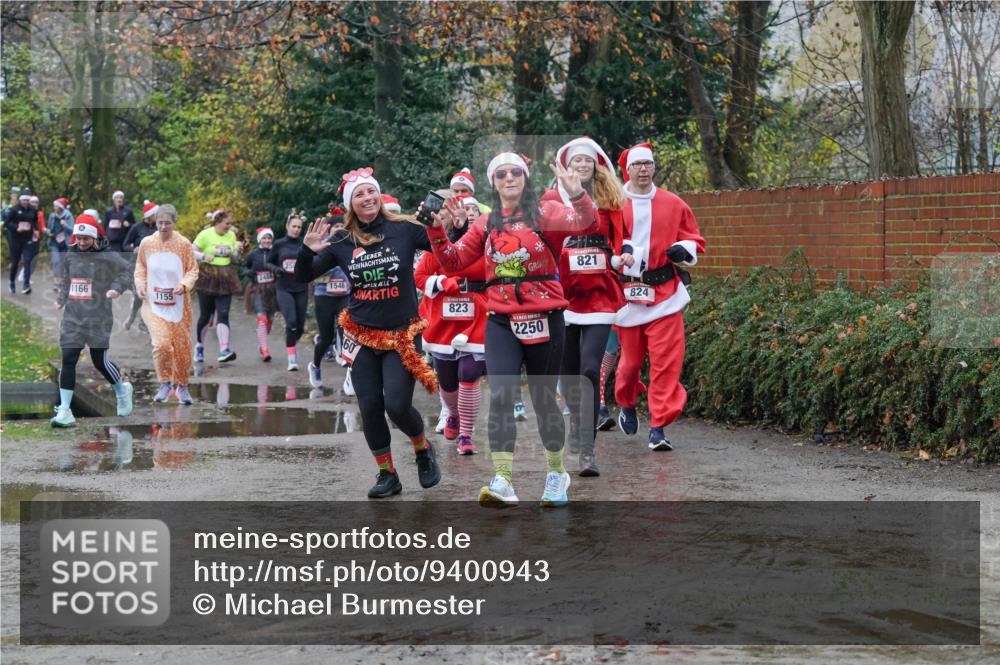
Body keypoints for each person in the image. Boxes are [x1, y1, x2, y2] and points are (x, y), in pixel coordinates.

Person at [424, 152, 598, 507]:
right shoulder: (485, 223)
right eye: (500, 174)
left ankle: (556, 474)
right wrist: (435, 230)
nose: (508, 178)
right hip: (501, 320)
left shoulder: (546, 213)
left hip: (545, 316)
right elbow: (453, 261)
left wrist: (577, 193)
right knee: (501, 396)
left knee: (543, 399)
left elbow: (586, 224)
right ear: (493, 182)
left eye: (515, 172)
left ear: (525, 177)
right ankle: (503, 479)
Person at [296, 167, 441, 499]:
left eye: (371, 191)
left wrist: (450, 225)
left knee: (397, 405)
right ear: (351, 203)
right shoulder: (341, 241)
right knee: (370, 406)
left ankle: (422, 448)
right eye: (359, 194)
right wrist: (306, 251)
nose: (367, 198)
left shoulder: (404, 229)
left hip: (402, 334)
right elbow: (303, 276)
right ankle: (387, 474)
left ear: (379, 196)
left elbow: (445, 248)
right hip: (361, 336)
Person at [541, 137, 626, 476]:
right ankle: (578, 422)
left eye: (587, 161)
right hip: (562, 295)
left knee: (590, 369)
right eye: (576, 160)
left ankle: (588, 449)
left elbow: (623, 237)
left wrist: (623, 256)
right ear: (566, 165)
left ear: (596, 166)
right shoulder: (550, 200)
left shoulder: (609, 198)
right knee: (569, 373)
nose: (582, 165)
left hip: (599, 295)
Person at [613, 143, 706, 450]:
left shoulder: (674, 203)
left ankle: (658, 427)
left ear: (654, 167)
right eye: (637, 164)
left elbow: (693, 238)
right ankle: (626, 401)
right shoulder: (614, 204)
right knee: (629, 365)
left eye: (648, 164)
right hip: (627, 296)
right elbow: (604, 241)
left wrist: (684, 249)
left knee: (666, 363)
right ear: (627, 170)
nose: (643, 169)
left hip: (665, 295)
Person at [414, 196, 487, 456]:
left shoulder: (486, 243)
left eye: (472, 210)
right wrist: (443, 283)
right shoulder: (438, 245)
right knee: (447, 379)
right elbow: (420, 277)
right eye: (461, 210)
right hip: (444, 320)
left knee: (469, 373)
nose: (466, 214)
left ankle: (466, 434)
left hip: (476, 317)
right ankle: (453, 414)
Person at [51, 213, 134, 427]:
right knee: (68, 359)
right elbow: (67, 280)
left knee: (100, 362)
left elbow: (127, 272)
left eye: (85, 238)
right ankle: (65, 410)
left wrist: (116, 288)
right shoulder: (71, 255)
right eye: (78, 238)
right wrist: (61, 299)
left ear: (94, 238)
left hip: (98, 317)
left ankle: (121, 390)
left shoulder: (108, 256)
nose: (81, 242)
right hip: (73, 317)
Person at [134, 203, 200, 404]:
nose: (163, 227)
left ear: (174, 223)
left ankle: (182, 386)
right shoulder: (147, 243)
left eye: (167, 223)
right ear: (155, 222)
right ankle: (165, 383)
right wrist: (140, 285)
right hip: (153, 304)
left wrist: (184, 284)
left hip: (178, 305)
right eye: (160, 223)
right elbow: (140, 268)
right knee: (161, 344)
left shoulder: (183, 244)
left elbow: (193, 269)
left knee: (181, 347)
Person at [192, 209, 243, 363]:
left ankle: (224, 350)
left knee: (223, 313)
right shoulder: (205, 234)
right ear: (218, 222)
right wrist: (203, 255)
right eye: (227, 223)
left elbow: (235, 258)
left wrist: (238, 251)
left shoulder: (231, 235)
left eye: (230, 223)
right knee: (205, 316)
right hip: (207, 276)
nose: (229, 226)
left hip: (226, 277)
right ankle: (199, 346)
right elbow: (190, 251)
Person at [308, 210, 351, 388]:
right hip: (324, 296)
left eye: (342, 226)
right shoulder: (321, 245)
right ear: (329, 229)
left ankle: (343, 357)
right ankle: (315, 365)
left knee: (345, 327)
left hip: (344, 295)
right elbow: (314, 270)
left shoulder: (350, 244)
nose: (339, 229)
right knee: (326, 338)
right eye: (336, 226)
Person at [268, 212, 309, 371]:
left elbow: (312, 261)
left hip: (301, 288)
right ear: (287, 226)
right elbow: (268, 262)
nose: (296, 229)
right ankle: (292, 359)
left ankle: (291, 342)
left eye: (299, 227)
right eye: (294, 226)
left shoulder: (304, 243)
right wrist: (276, 269)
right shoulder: (279, 244)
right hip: (284, 288)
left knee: (299, 327)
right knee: (291, 322)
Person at [122, 201, 161, 332]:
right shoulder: (136, 228)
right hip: (139, 266)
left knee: (151, 294)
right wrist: (134, 249)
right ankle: (133, 315)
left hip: (155, 267)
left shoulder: (159, 228)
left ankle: (144, 322)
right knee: (140, 295)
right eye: (156, 214)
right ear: (149, 216)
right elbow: (125, 245)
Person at [243, 226, 279, 361]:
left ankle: (262, 340)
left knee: (269, 319)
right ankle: (265, 349)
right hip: (257, 289)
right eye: (264, 238)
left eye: (269, 238)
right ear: (259, 240)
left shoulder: (276, 253)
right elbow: (245, 267)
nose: (267, 240)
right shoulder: (253, 254)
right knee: (262, 318)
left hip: (273, 290)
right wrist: (249, 273)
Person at [4, 190, 40, 294]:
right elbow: (7, 223)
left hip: (27, 239)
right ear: (20, 200)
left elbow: (35, 221)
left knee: (28, 261)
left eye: (27, 200)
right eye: (24, 200)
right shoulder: (14, 209)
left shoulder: (33, 210)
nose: (25, 202)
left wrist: (36, 229)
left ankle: (26, 285)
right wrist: (16, 227)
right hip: (16, 239)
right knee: (15, 262)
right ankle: (12, 282)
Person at [47, 198, 73, 293]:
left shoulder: (68, 215)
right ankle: (56, 283)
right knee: (56, 262)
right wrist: (48, 233)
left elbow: (72, 229)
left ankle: (62, 283)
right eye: (54, 206)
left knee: (62, 264)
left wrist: (64, 224)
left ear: (61, 207)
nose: (54, 208)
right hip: (54, 242)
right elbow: (48, 229)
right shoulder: (52, 216)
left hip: (64, 243)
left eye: (56, 206)